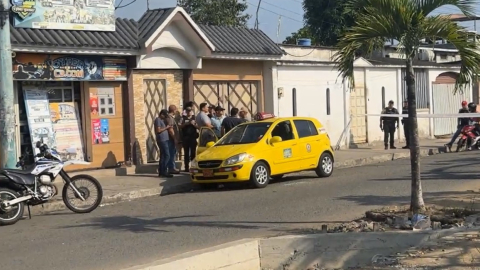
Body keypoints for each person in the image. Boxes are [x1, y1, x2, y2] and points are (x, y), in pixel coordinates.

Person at [155, 110, 173, 178]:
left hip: (165, 139)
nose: (165, 117)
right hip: (162, 140)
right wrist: (167, 127)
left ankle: (161, 172)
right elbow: (158, 130)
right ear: (161, 114)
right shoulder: (158, 120)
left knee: (163, 156)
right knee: (167, 155)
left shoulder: (162, 120)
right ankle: (164, 171)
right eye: (164, 116)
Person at [179, 106, 198, 172]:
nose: (189, 112)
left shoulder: (194, 118)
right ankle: (186, 167)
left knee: (193, 153)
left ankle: (193, 167)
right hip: (186, 138)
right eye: (188, 111)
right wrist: (186, 124)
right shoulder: (183, 118)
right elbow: (180, 126)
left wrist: (194, 124)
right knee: (186, 153)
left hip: (193, 137)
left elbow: (198, 127)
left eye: (190, 111)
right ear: (186, 112)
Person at [164, 105, 181, 174]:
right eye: (175, 110)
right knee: (171, 153)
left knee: (173, 152)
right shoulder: (169, 118)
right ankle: (171, 168)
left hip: (171, 138)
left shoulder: (170, 117)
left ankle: (172, 167)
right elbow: (170, 129)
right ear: (174, 110)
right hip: (170, 138)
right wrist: (174, 138)